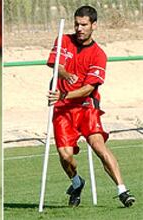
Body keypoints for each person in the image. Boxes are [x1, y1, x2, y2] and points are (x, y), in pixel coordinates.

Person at [46, 5, 135, 207]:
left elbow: (87, 89)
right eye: (76, 24)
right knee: (65, 156)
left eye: (84, 25)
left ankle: (122, 190)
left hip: (87, 107)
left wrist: (66, 92)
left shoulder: (98, 55)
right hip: (61, 107)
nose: (79, 28)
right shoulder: (63, 40)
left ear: (94, 25)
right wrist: (65, 75)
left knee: (98, 145)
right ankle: (77, 183)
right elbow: (54, 64)